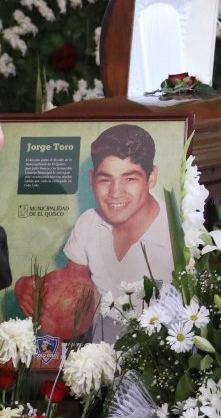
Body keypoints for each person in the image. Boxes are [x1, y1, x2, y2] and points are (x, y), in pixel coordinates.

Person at [15, 123, 174, 339]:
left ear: (151, 177)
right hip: (96, 359)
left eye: (130, 178)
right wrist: (27, 287)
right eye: (105, 179)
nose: (115, 193)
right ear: (91, 180)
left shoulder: (176, 231)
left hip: (158, 362)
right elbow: (74, 292)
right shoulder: (88, 223)